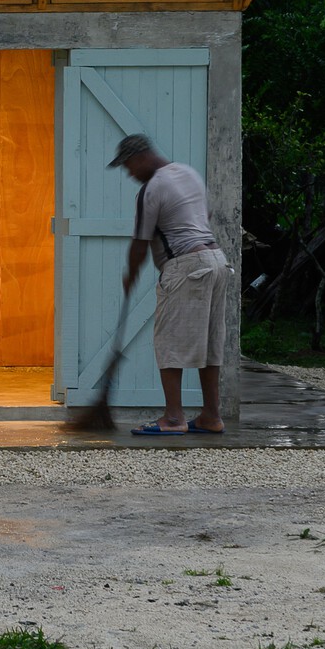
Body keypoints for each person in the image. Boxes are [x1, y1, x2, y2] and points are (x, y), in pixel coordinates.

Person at [108, 134, 229, 436]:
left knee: (168, 342)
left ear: (141, 157)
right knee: (210, 344)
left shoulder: (152, 188)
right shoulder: (188, 173)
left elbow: (141, 242)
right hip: (217, 261)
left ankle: (174, 419)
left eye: (128, 166)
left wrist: (130, 274)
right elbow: (204, 216)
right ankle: (211, 416)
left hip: (186, 266)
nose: (129, 173)